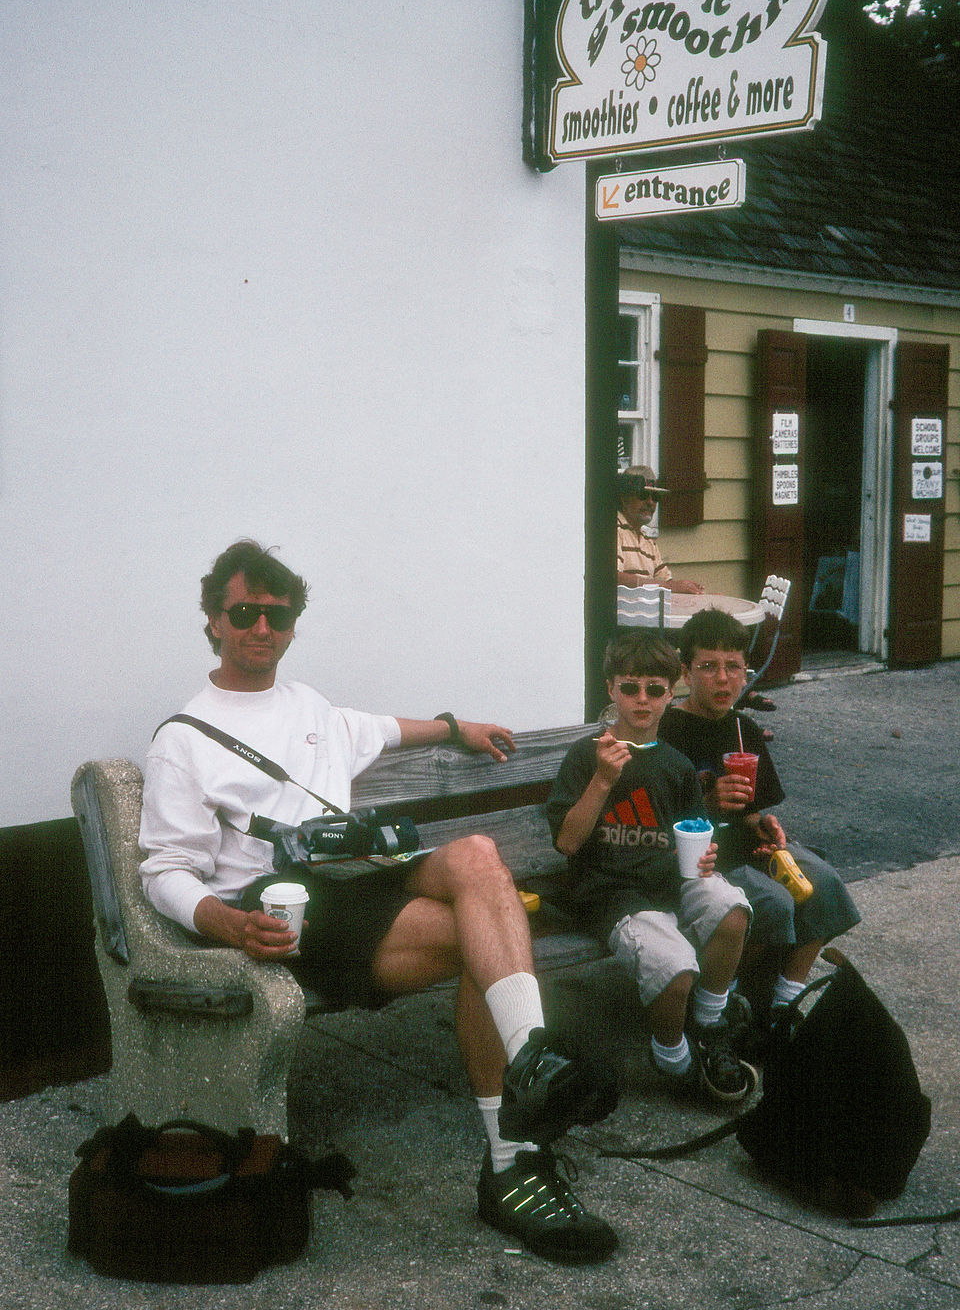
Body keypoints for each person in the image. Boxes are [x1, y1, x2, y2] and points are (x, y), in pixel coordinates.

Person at [139, 540, 618, 1265]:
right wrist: (228, 923)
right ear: (212, 620)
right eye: (244, 613)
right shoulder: (184, 739)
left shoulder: (309, 707)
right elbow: (165, 869)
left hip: (363, 876)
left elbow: (390, 729)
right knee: (482, 931)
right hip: (290, 905)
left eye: (279, 614)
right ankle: (512, 1161)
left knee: (480, 858)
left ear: (294, 623)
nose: (261, 628)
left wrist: (457, 727)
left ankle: (528, 1061)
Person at [544, 630, 757, 1107]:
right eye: (630, 688)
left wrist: (704, 857)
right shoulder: (587, 756)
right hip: (611, 895)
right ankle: (674, 1059)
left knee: (731, 908)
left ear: (670, 693)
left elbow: (692, 831)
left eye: (655, 689)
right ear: (611, 691)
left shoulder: (676, 765)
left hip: (670, 884)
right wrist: (603, 779)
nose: (642, 700)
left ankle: (708, 1023)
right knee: (675, 966)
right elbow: (567, 842)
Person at [659, 609, 860, 1031]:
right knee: (774, 901)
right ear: (685, 672)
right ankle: (723, 996)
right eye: (708, 667)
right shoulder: (668, 729)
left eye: (734, 667)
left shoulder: (742, 729)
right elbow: (659, 816)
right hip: (704, 859)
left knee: (821, 882)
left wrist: (761, 823)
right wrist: (708, 802)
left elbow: (750, 810)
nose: (722, 679)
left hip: (745, 844)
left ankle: (785, 1002)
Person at [616, 464, 704, 594]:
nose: (650, 502)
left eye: (655, 497)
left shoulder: (648, 542)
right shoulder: (612, 530)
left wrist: (689, 588)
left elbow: (665, 582)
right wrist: (670, 587)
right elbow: (614, 578)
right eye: (643, 494)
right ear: (624, 499)